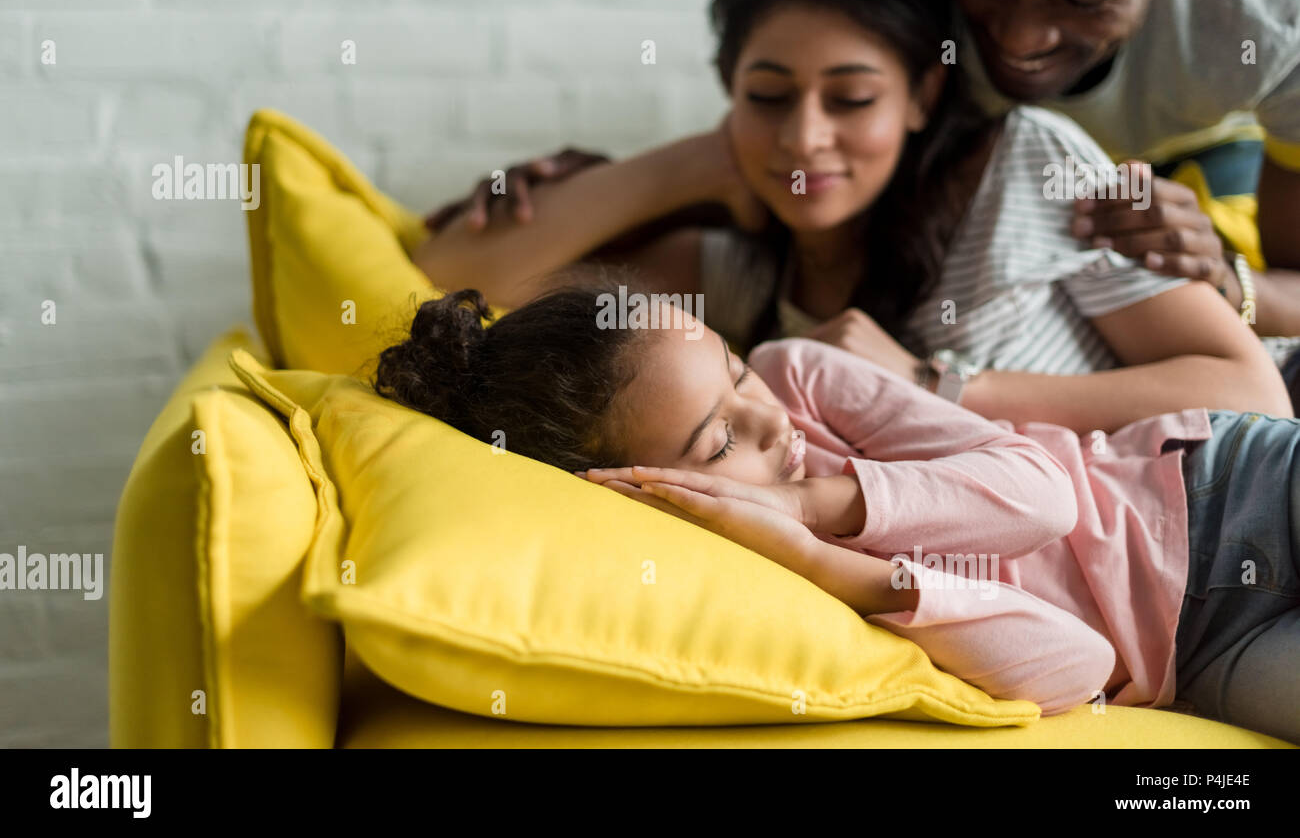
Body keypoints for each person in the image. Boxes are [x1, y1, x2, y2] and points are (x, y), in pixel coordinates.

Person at [413, 0, 1290, 434]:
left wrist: (926, 383)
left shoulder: (1028, 164)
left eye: (850, 98)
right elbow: (458, 283)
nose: (805, 136)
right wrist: (701, 159)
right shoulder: (738, 271)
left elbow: (1249, 393)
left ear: (922, 95)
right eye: (767, 94)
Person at [373, 280, 1300, 743]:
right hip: (1199, 651)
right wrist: (826, 565)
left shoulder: (798, 375)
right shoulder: (768, 581)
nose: (769, 416)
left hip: (1213, 487)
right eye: (717, 442)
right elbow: (1084, 661)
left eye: (733, 370)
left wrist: (813, 501)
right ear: (649, 495)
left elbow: (1044, 494)